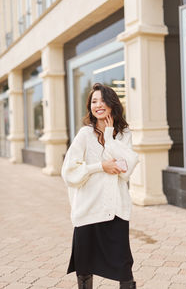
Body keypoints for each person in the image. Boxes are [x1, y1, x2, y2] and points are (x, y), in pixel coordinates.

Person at [61, 83, 139, 289]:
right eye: (94, 101)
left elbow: (126, 169)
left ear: (113, 104)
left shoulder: (124, 134)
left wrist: (111, 134)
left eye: (103, 100)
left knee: (124, 266)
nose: (98, 105)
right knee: (84, 266)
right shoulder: (84, 134)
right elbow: (69, 171)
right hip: (88, 209)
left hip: (115, 210)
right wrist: (100, 166)